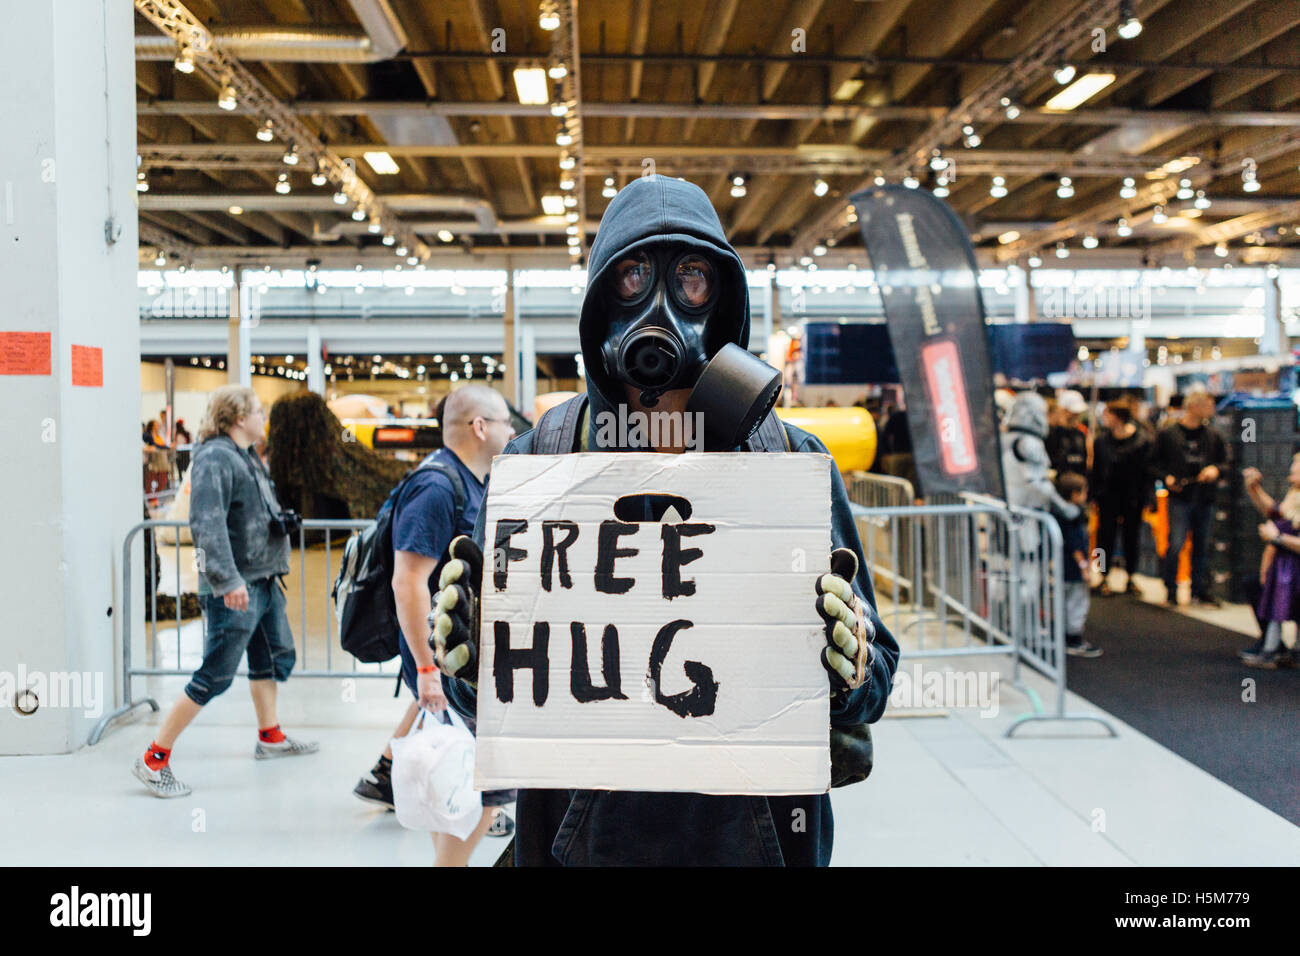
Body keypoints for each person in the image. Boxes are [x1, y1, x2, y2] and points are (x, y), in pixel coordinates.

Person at [430, 174, 899, 866]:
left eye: (691, 275)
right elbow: (500, 712)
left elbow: (875, 678)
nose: (660, 302)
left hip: (757, 843)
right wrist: (471, 657)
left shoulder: (789, 462)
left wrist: (850, 661)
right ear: (598, 307)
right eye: (630, 276)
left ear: (724, 299)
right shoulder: (544, 462)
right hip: (580, 843)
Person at [352, 384, 517, 863]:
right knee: (492, 788)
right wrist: (427, 671)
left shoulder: (470, 480)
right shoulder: (436, 487)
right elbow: (409, 581)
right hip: (442, 659)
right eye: (505, 422)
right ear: (480, 426)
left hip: (456, 657)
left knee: (469, 781)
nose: (512, 431)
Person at [133, 385, 316, 798]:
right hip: (237, 586)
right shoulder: (215, 457)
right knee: (213, 675)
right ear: (238, 418)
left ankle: (270, 737)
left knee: (269, 658)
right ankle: (153, 759)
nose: (263, 416)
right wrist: (227, 580)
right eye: (257, 410)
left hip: (263, 578)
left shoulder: (244, 455)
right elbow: (207, 524)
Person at [1154, 386, 1227, 607]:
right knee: (1175, 544)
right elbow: (1152, 464)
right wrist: (1167, 477)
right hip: (1180, 497)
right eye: (1208, 405)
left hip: (1205, 497)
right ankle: (1171, 589)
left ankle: (1199, 590)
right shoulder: (1168, 434)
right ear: (1194, 406)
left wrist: (1215, 470)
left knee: (1202, 546)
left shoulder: (1213, 436)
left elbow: (1226, 463)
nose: (1212, 409)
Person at [1090, 400, 1155, 596]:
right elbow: (1096, 470)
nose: (1104, 418)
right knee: (1104, 537)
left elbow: (1147, 471)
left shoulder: (1142, 440)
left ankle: (1131, 576)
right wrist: (1093, 495)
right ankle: (1102, 576)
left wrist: (1148, 497)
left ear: (1117, 417)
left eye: (1107, 414)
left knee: (1131, 537)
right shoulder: (1101, 440)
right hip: (1107, 497)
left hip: (1132, 497)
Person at [1239, 460, 1300, 668]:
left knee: (1280, 605)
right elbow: (1274, 513)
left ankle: (1272, 650)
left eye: (1296, 465)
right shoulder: (1294, 494)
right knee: (1270, 598)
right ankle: (1275, 646)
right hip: (1286, 568)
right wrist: (1253, 488)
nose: (1291, 469)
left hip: (1293, 569)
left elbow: (1277, 525)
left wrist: (1278, 538)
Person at [1056, 473, 1102, 658]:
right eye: (1083, 493)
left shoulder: (1058, 513)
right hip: (1074, 569)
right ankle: (1073, 637)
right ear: (1075, 494)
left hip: (1062, 568)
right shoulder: (1073, 516)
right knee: (1076, 603)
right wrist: (1085, 568)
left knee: (1064, 602)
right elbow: (1075, 545)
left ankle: (1065, 634)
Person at [1046, 390, 1089, 476]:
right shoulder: (1050, 434)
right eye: (1073, 412)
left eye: (1078, 413)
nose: (1077, 415)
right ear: (1063, 410)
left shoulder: (1080, 435)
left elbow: (1084, 462)